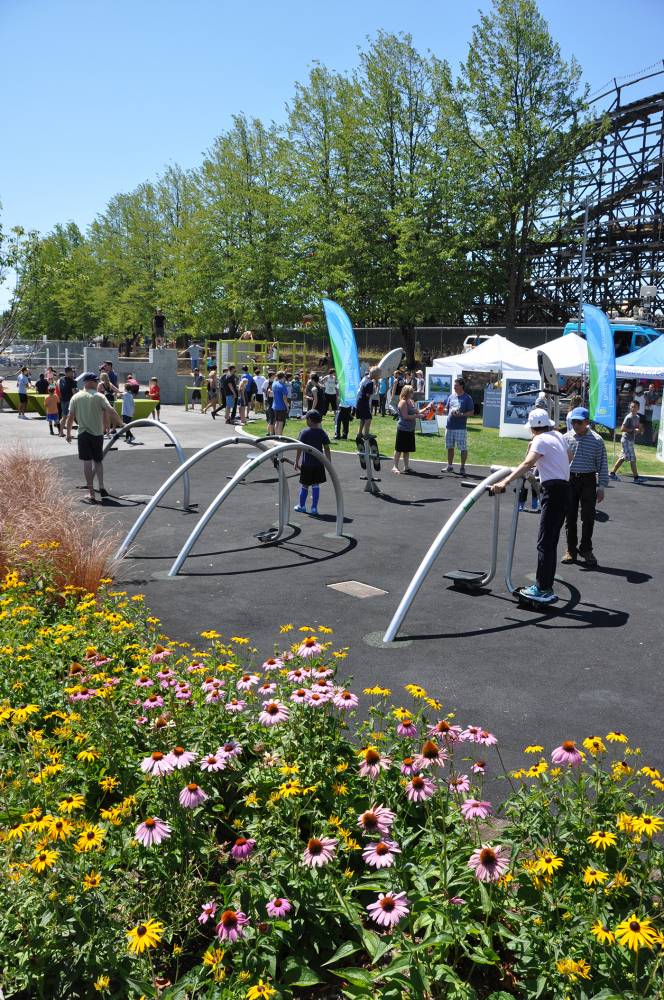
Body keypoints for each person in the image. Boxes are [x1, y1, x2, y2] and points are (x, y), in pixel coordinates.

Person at [491, 409, 572, 601]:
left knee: (545, 542)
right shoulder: (558, 435)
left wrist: (505, 482)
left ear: (533, 428)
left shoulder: (540, 439)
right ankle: (545, 585)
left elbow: (527, 463)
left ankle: (543, 588)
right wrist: (547, 464)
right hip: (565, 489)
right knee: (550, 541)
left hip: (553, 491)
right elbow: (569, 457)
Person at [562, 406, 609, 567]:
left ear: (587, 422)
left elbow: (602, 464)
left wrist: (601, 486)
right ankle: (570, 550)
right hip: (570, 480)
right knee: (570, 517)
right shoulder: (566, 438)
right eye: (573, 422)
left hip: (588, 480)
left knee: (588, 517)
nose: (575, 425)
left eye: (579, 422)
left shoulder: (597, 440)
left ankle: (586, 549)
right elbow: (561, 462)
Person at [66, 372, 124, 503]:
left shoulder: (76, 397)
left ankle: (91, 493)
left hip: (83, 434)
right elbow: (111, 411)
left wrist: (68, 433)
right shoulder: (99, 397)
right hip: (97, 434)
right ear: (90, 382)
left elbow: (70, 416)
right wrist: (122, 423)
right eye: (96, 381)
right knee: (98, 461)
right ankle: (101, 486)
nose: (98, 383)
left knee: (87, 462)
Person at [293, 409, 331, 516]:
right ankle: (314, 508)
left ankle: (302, 506)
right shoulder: (322, 433)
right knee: (316, 485)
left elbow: (299, 448)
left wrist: (296, 461)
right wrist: (329, 463)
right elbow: (327, 448)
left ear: (309, 419)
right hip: (319, 464)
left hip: (307, 465)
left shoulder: (304, 432)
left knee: (305, 485)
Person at [393, 386, 429, 474]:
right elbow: (405, 417)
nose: (413, 393)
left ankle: (406, 467)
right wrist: (417, 416)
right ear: (406, 392)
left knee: (407, 449)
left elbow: (417, 411)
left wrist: (427, 408)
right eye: (411, 392)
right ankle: (395, 466)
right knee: (399, 449)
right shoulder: (403, 402)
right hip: (403, 429)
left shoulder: (411, 401)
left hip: (410, 429)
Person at [442, 377, 474, 474]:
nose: (454, 387)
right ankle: (450, 466)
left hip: (460, 427)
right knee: (450, 447)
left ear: (461, 386)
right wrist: (443, 410)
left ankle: (462, 467)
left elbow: (472, 412)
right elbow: (446, 409)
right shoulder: (451, 396)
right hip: (449, 426)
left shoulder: (467, 398)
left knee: (463, 448)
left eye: (456, 385)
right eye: (454, 385)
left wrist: (461, 415)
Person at [610, 400, 645, 485]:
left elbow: (637, 427)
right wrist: (633, 430)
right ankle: (636, 478)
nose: (633, 408)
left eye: (635, 407)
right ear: (630, 407)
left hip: (630, 440)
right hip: (626, 440)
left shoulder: (637, 417)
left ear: (638, 408)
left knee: (623, 457)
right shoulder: (628, 417)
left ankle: (612, 474)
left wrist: (639, 430)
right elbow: (622, 429)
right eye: (632, 406)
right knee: (633, 459)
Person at [355, 366, 381, 438]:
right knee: (368, 418)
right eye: (379, 375)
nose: (379, 377)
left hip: (359, 401)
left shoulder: (365, 377)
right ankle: (366, 434)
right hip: (363, 402)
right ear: (375, 376)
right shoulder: (370, 383)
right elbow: (368, 395)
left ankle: (359, 433)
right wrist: (375, 385)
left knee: (363, 418)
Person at [271, 370, 290, 435]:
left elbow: (276, 378)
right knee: (281, 423)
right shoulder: (282, 386)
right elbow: (284, 398)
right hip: (281, 407)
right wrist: (287, 407)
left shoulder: (274, 384)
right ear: (283, 377)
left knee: (277, 422)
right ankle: (279, 437)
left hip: (275, 406)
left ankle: (276, 436)